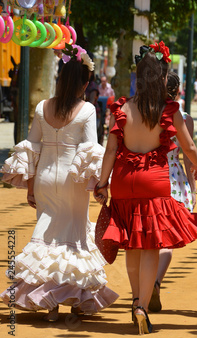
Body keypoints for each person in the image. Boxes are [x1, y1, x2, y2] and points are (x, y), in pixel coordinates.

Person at [0, 45, 118, 321]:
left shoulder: (42, 107)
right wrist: (100, 185)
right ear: (84, 82)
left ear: (61, 79)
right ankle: (74, 299)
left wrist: (30, 187)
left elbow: (32, 148)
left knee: (47, 234)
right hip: (71, 182)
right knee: (73, 238)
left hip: (43, 178)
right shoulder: (87, 110)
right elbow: (91, 152)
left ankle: (50, 303)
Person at [94, 43, 197, 335]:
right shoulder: (167, 110)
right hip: (154, 181)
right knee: (150, 245)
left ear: (137, 76)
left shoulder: (122, 108)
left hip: (123, 182)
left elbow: (110, 150)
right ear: (162, 77)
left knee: (131, 243)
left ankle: (134, 300)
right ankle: (142, 305)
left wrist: (102, 182)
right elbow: (189, 145)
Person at [148, 71, 197, 313]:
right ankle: (156, 280)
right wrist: (194, 187)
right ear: (178, 91)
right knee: (167, 238)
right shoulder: (184, 118)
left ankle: (142, 292)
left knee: (148, 237)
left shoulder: (145, 112)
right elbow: (189, 154)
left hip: (149, 175)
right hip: (174, 178)